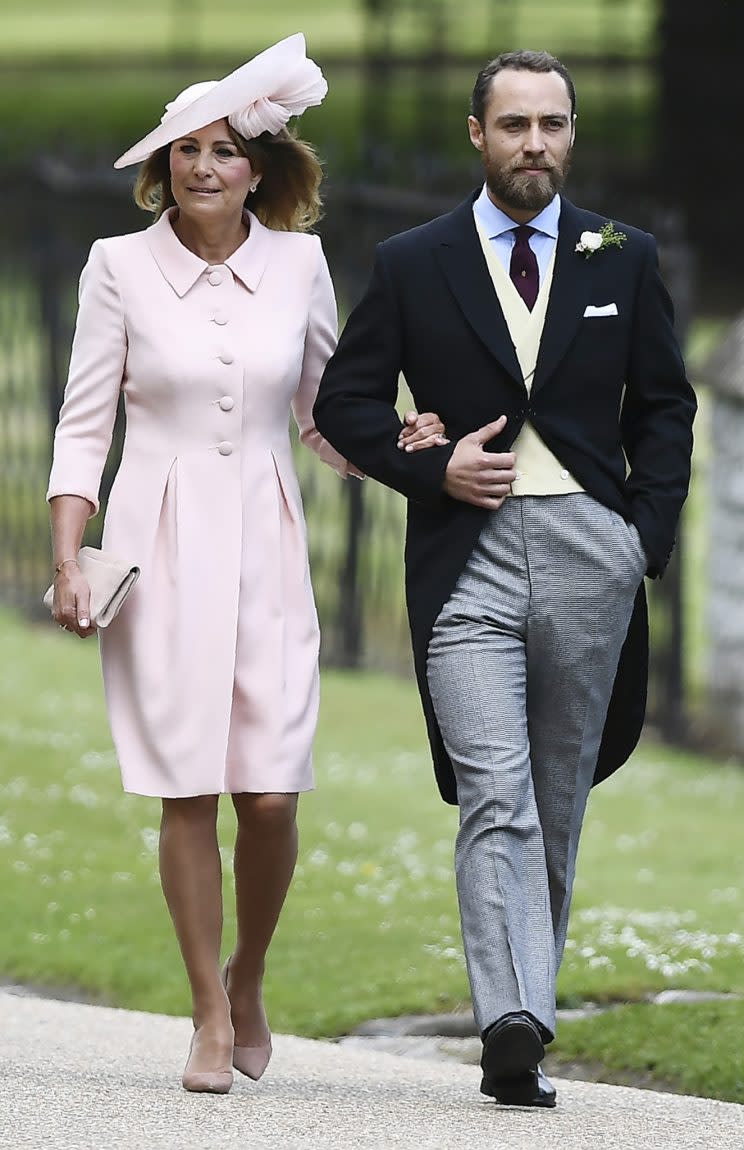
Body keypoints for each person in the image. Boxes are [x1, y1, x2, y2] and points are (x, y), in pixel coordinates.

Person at [46, 33, 444, 1095]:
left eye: (225, 149)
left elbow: (323, 415)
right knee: (188, 787)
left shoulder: (301, 265)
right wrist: (69, 557)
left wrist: (396, 442)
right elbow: (84, 427)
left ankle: (251, 972)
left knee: (269, 793)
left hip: (267, 543)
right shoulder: (115, 268)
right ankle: (208, 1013)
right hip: (159, 541)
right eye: (187, 150)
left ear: (258, 167)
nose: (205, 166)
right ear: (164, 166)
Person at [314, 49, 696, 1108]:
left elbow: (665, 407)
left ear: (572, 136)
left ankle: (528, 999)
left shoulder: (623, 255)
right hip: (464, 560)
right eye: (515, 124)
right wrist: (428, 463)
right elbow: (346, 405)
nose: (536, 143)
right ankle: (512, 1025)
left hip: (592, 552)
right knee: (495, 787)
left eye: (553, 125)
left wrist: (641, 540)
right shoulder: (411, 260)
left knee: (557, 796)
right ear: (475, 135)